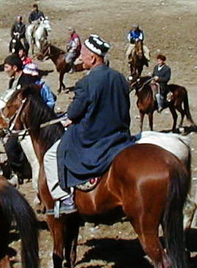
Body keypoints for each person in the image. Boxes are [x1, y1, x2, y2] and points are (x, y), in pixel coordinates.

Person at [44, 35, 134, 216]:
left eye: (83, 54)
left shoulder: (85, 83)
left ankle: (64, 198)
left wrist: (69, 118)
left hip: (93, 136)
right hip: (119, 134)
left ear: (92, 58)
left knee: (51, 154)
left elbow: (75, 112)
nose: (79, 58)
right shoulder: (120, 78)